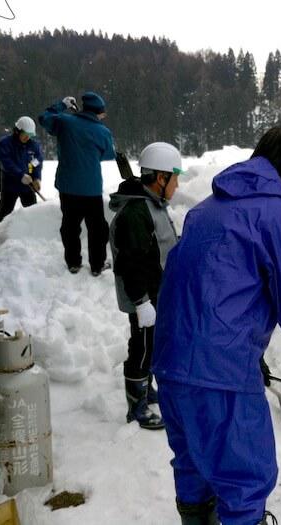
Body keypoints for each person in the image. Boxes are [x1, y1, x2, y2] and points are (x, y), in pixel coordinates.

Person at [152, 126, 281, 525]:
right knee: (243, 480)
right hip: (221, 374)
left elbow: (203, 287)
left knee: (193, 470)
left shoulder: (207, 208)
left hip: (171, 366)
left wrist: (249, 355)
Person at [109, 142, 182, 430]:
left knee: (150, 345)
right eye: (175, 178)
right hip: (144, 297)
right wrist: (141, 302)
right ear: (160, 178)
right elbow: (132, 261)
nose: (177, 185)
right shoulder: (137, 213)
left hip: (155, 292)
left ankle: (145, 389)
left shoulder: (153, 205)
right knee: (141, 347)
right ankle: (136, 406)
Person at [38, 91, 115, 276]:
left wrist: (62, 105)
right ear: (97, 112)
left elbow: (44, 118)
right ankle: (97, 265)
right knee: (97, 229)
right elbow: (108, 154)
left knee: (70, 227)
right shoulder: (103, 131)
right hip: (91, 189)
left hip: (68, 188)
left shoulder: (65, 122)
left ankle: (73, 263)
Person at [0, 116, 43, 224]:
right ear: (17, 131)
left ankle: (34, 234)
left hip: (28, 186)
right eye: (25, 134)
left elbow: (36, 163)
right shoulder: (5, 144)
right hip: (10, 186)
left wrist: (37, 178)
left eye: (30, 135)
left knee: (34, 213)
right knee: (4, 215)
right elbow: (6, 163)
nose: (28, 138)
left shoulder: (34, 146)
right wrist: (20, 175)